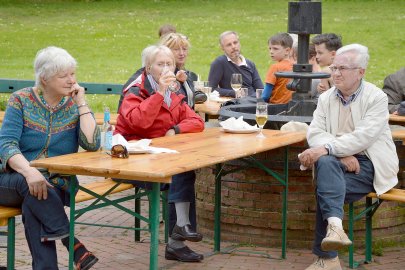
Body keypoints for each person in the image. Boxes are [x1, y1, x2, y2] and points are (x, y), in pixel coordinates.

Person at [299, 44, 398, 270]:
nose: (336, 73)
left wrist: (329, 149)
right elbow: (314, 132)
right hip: (337, 161)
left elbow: (363, 137)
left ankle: (328, 259)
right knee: (326, 170)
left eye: (342, 68)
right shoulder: (326, 98)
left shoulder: (377, 98)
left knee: (324, 187)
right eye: (334, 68)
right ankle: (335, 228)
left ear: (361, 71)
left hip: (371, 163)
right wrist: (339, 154)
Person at [0, 46, 100, 270]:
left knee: (35, 200)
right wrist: (29, 171)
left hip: (56, 185)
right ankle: (72, 244)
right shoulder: (21, 100)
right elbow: (6, 145)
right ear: (44, 78)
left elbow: (92, 143)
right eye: (63, 75)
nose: (71, 80)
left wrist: (82, 103)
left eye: (72, 74)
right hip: (10, 180)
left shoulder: (73, 105)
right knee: (31, 185)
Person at [115, 45, 205, 262]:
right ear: (148, 67)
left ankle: (178, 237)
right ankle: (179, 235)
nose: (167, 69)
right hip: (130, 160)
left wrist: (176, 129)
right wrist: (159, 94)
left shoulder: (172, 92)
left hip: (159, 156)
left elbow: (196, 121)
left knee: (183, 169)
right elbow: (140, 122)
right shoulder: (136, 90)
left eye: (170, 64)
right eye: (161, 64)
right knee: (179, 171)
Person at [120, 33, 201, 110]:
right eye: (176, 49)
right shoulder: (145, 77)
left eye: (184, 49)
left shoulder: (185, 75)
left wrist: (183, 83)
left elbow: (186, 106)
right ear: (165, 50)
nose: (181, 53)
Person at [208, 31, 263, 97]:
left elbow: (260, 89)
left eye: (235, 43)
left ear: (239, 43)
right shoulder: (220, 63)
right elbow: (211, 89)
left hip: (253, 101)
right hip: (235, 103)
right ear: (222, 48)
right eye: (229, 45)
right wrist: (234, 93)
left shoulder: (250, 64)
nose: (233, 46)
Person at [262, 33, 294, 104]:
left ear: (287, 51)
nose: (271, 51)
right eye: (270, 48)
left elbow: (265, 95)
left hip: (275, 107)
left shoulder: (275, 67)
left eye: (275, 48)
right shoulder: (295, 66)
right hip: (292, 106)